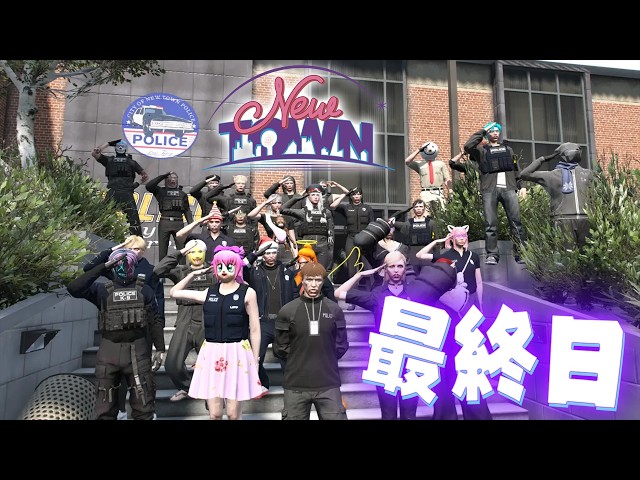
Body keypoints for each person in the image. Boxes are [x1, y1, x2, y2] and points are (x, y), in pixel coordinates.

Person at [67, 249, 165, 420]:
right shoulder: (103, 290)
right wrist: (102, 267)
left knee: (143, 406)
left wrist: (160, 347)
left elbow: (155, 320)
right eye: (119, 264)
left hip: (134, 352)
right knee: (105, 407)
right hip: (114, 352)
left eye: (127, 263)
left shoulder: (143, 289)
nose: (124, 267)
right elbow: (74, 288)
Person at [169, 245, 262, 420]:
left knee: (233, 414)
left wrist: (255, 359)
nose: (224, 270)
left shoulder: (248, 292)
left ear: (237, 267)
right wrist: (193, 274)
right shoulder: (209, 292)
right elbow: (174, 292)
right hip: (212, 352)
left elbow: (255, 329)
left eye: (229, 266)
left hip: (237, 352)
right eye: (219, 266)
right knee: (215, 414)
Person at [334, 251, 420, 420]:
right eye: (392, 266)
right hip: (385, 361)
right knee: (388, 415)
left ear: (405, 269)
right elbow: (339, 293)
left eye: (400, 266)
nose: (396, 270)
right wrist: (360, 275)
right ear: (385, 269)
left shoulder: (415, 293)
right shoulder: (377, 295)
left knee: (410, 415)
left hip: (411, 361)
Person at [404, 258, 493, 420]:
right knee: (453, 397)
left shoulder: (456, 294)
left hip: (457, 349)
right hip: (446, 349)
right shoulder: (447, 294)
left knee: (461, 397)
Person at [273, 261, 349, 420]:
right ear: (302, 280)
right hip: (296, 384)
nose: (313, 284)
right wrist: (299, 359)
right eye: (309, 279)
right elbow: (280, 347)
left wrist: (326, 358)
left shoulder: (334, 310)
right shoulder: (287, 310)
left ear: (323, 281)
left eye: (318, 280)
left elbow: (341, 344)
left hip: (328, 382)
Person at [153, 239, 213, 403]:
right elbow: (158, 270)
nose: (196, 255)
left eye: (199, 251)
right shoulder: (180, 271)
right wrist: (179, 253)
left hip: (207, 322)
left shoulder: (213, 271)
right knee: (172, 363)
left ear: (205, 253)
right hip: (185, 322)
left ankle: (211, 394)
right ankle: (188, 387)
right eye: (192, 252)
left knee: (212, 363)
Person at [464, 122, 527, 265]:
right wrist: (482, 130)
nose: (495, 133)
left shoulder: (508, 149)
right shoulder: (481, 151)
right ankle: (492, 255)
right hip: (489, 191)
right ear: (488, 134)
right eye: (492, 131)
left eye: (497, 131)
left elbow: (516, 168)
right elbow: (468, 146)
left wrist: (522, 186)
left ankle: (521, 254)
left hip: (509, 189)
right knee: (490, 224)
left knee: (516, 222)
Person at [242, 237, 298, 397]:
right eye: (267, 253)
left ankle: (291, 387)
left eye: (274, 252)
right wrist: (255, 254)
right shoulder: (255, 272)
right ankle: (263, 384)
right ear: (262, 255)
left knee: (286, 357)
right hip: (262, 321)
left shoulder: (287, 271)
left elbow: (295, 294)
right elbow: (241, 267)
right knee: (256, 356)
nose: (271, 256)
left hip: (283, 322)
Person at [520, 142, 594, 249]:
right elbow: (524, 175)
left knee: (570, 255)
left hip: (570, 219)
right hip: (575, 219)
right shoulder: (587, 174)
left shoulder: (553, 175)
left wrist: (543, 159)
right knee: (582, 255)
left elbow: (525, 174)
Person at [417, 225, 483, 316]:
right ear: (452, 238)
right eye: (458, 236)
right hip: (454, 301)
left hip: (471, 300)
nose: (462, 238)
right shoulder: (445, 256)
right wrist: (436, 241)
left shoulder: (473, 256)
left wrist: (480, 303)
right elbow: (419, 255)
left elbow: (479, 282)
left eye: (464, 235)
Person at [92, 139, 148, 236]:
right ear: (126, 150)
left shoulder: (109, 161)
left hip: (112, 194)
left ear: (115, 149)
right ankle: (137, 242)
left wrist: (108, 143)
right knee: (134, 222)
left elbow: (94, 153)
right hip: (127, 194)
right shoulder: (132, 162)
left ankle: (98, 239)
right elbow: (145, 176)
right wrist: (135, 185)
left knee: (102, 219)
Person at [328, 183, 376, 289]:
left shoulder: (367, 208)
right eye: (354, 194)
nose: (356, 196)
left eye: (358, 194)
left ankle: (372, 290)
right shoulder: (346, 207)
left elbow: (372, 224)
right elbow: (332, 206)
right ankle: (353, 292)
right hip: (351, 238)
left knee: (367, 266)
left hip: (365, 238)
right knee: (351, 268)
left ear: (361, 195)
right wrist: (345, 193)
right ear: (351, 196)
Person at [281, 184, 335, 270]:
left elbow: (331, 231)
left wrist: (330, 249)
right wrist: (295, 199)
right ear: (308, 197)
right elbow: (282, 209)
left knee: (321, 272)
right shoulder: (303, 212)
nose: (316, 197)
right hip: (307, 246)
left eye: (317, 195)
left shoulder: (327, 212)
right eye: (313, 195)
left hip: (323, 246)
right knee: (306, 272)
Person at [145, 171, 194, 262]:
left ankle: (182, 269)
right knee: (162, 250)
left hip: (179, 223)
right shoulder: (160, 191)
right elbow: (149, 186)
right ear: (166, 180)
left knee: (181, 250)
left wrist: (191, 224)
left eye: (174, 178)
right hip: (165, 222)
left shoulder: (182, 194)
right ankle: (162, 269)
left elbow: (187, 210)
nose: (172, 180)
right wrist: (163, 175)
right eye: (170, 178)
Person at [248, 194, 298, 264]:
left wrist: (296, 257)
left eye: (279, 203)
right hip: (271, 250)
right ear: (270, 204)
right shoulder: (266, 217)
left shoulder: (288, 218)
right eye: (274, 203)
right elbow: (250, 215)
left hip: (286, 250)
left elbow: (292, 240)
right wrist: (265, 203)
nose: (277, 205)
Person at [392, 199, 438, 274]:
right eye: (416, 207)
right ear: (413, 209)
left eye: (421, 206)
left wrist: (437, 258)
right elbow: (402, 242)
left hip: (427, 257)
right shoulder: (408, 224)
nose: (419, 209)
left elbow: (436, 242)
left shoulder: (431, 223)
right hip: (412, 257)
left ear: (424, 208)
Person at [405, 141, 452, 210]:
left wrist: (450, 191)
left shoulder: (441, 164)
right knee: (425, 213)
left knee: (442, 212)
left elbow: (447, 179)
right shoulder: (419, 164)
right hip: (425, 192)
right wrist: (418, 150)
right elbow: (407, 161)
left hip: (438, 191)